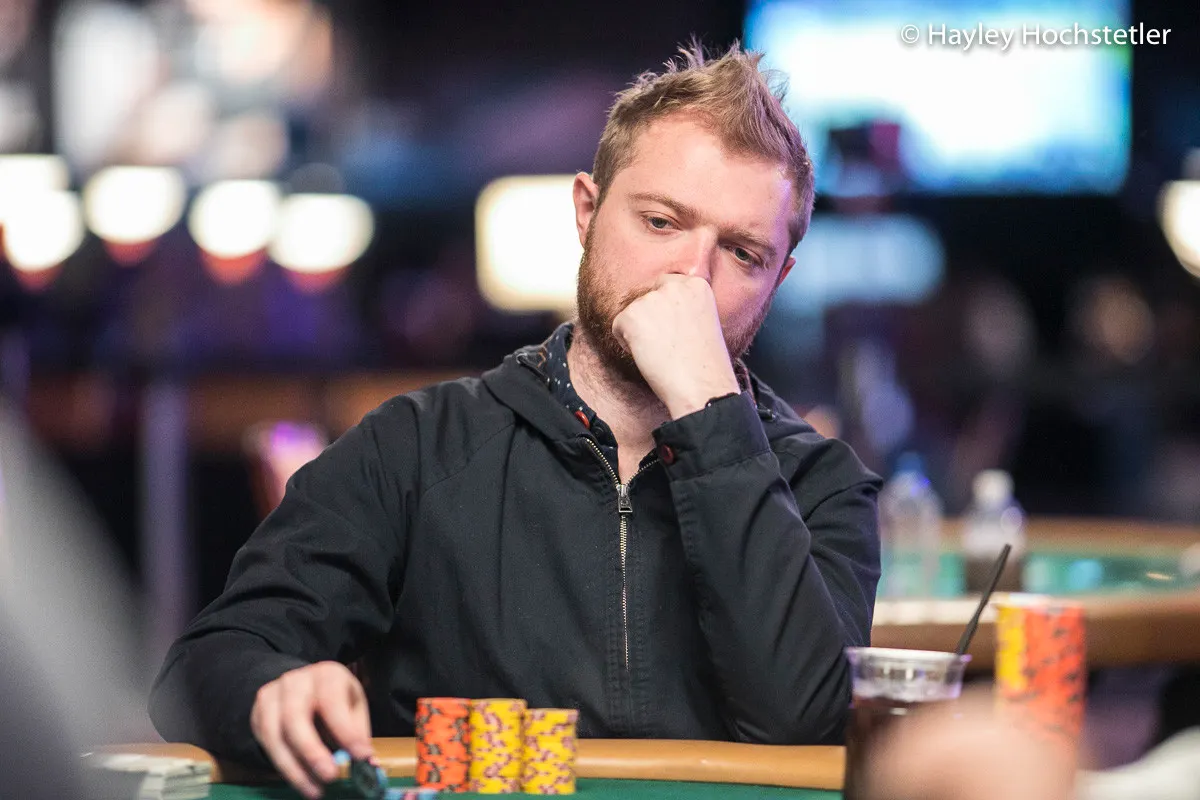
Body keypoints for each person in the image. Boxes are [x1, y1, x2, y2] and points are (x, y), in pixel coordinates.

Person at [149, 42, 881, 799]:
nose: (692, 277)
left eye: (744, 253)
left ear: (779, 278)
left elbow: (805, 727)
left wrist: (708, 408)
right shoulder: (414, 448)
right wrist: (272, 690)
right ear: (587, 213)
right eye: (662, 222)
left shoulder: (822, 485)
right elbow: (208, 663)